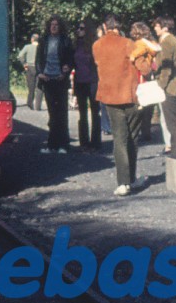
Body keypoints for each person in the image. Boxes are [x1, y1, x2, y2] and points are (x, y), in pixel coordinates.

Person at [93, 14, 142, 196]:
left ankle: (123, 183)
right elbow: (142, 67)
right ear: (119, 26)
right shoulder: (129, 43)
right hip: (130, 96)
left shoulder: (96, 46)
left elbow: (99, 64)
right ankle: (131, 179)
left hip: (110, 96)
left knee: (119, 139)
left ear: (105, 27)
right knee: (132, 138)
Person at [36, 15, 74, 154]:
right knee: (52, 114)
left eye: (56, 24)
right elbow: (39, 58)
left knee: (62, 113)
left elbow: (70, 59)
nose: (54, 26)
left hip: (60, 80)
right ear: (48, 26)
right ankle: (52, 145)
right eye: (52, 24)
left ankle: (63, 145)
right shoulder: (43, 40)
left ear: (60, 26)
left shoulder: (66, 40)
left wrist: (66, 70)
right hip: (47, 79)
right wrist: (39, 73)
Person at [152, 15, 176, 159]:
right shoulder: (175, 41)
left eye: (157, 26)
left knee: (171, 122)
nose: (155, 28)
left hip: (169, 87)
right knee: (175, 119)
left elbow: (166, 68)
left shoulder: (166, 43)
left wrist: (161, 85)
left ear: (165, 27)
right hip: (175, 85)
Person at [129, 21, 160, 143]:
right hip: (150, 76)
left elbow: (137, 57)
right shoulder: (152, 43)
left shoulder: (139, 44)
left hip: (140, 77)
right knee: (148, 107)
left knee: (140, 105)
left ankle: (141, 132)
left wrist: (131, 56)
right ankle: (147, 132)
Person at [72, 20, 101, 151]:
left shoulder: (95, 45)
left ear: (88, 30)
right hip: (80, 82)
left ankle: (95, 142)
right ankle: (84, 141)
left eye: (82, 28)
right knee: (82, 113)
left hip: (93, 81)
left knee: (95, 112)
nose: (79, 30)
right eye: (77, 28)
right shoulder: (75, 45)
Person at [18, 33, 40, 110]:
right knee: (39, 87)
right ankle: (38, 105)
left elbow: (20, 55)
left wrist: (24, 64)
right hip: (39, 68)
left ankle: (30, 103)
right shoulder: (41, 48)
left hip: (30, 68)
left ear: (32, 39)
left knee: (31, 87)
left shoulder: (27, 47)